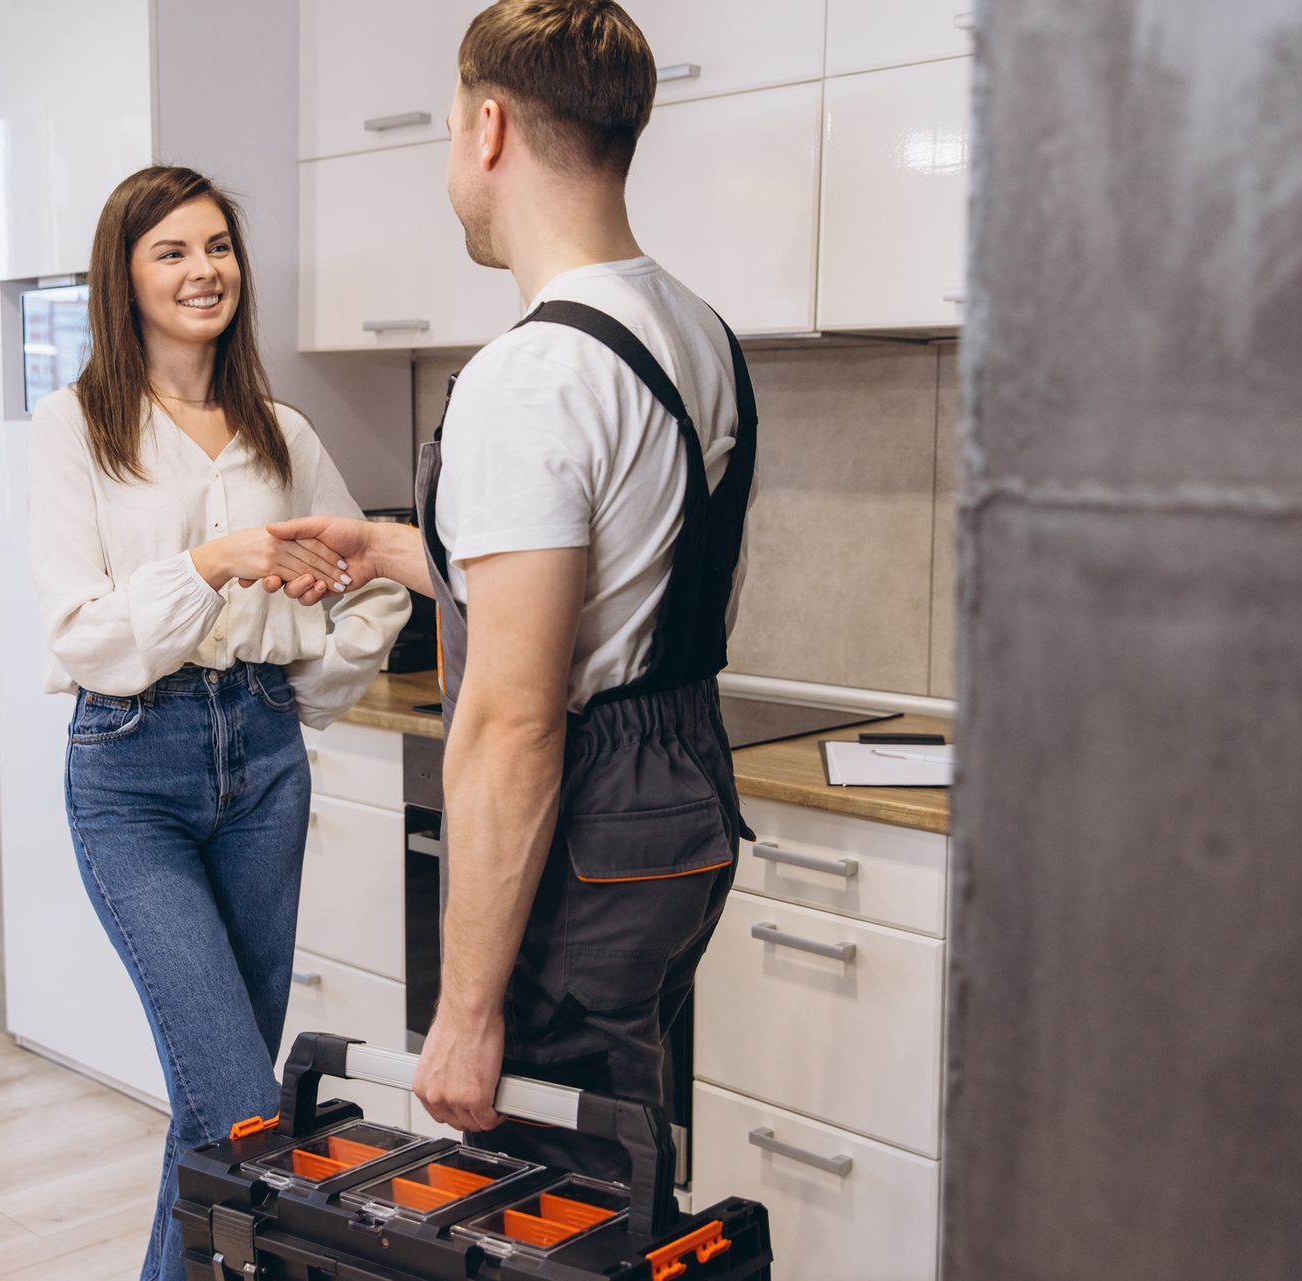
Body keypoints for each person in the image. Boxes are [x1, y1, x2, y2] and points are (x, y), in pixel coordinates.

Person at [268, 0, 758, 1183]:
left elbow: (516, 711)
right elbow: (626, 583)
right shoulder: (696, 329)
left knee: (543, 1188)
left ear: (489, 128)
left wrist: (468, 1009)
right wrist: (395, 550)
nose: (449, 165)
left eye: (444, 131)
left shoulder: (531, 375)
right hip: (679, 795)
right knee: (617, 1153)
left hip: (584, 815)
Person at [28, 165, 409, 1281]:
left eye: (218, 248)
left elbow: (375, 574)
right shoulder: (78, 427)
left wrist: (310, 683)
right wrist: (209, 561)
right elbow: (82, 634)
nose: (205, 272)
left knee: (218, 1110)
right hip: (130, 772)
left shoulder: (281, 432)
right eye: (173, 252)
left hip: (265, 762)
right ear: (126, 276)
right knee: (244, 1109)